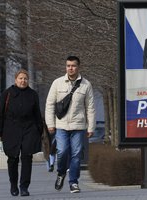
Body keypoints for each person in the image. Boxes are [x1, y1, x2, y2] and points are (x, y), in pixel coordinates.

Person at [45, 55, 96, 193]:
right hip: (61, 125)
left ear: (78, 67)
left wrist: (91, 127)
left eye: (73, 66)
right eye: (68, 65)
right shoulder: (57, 83)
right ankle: (61, 173)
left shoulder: (86, 85)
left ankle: (73, 182)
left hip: (79, 126)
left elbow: (90, 107)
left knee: (76, 154)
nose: (70, 68)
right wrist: (50, 123)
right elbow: (49, 104)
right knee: (62, 151)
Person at [0, 69, 43, 197]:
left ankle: (24, 187)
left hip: (29, 129)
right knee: (12, 158)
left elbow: (37, 114)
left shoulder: (33, 94)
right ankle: (13, 184)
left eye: (25, 78)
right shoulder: (7, 94)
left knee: (27, 157)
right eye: (20, 78)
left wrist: (39, 130)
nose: (23, 81)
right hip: (11, 130)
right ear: (15, 80)